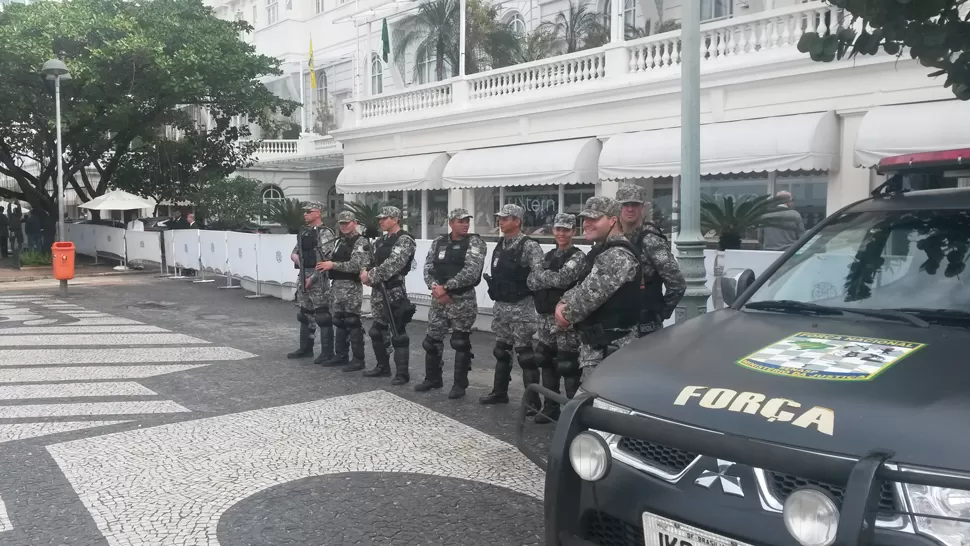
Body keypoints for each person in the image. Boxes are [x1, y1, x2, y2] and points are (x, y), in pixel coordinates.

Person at [555, 196, 643, 381]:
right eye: (585, 219)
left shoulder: (617, 255)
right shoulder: (602, 251)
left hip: (611, 349)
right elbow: (581, 286)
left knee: (598, 405)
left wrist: (565, 314)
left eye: (594, 219)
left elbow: (587, 298)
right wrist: (562, 302)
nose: (586, 223)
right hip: (598, 345)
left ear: (613, 220)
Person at [416, 208, 486, 399]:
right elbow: (428, 267)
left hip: (461, 300)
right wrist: (435, 288)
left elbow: (471, 271)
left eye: (466, 221)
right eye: (460, 221)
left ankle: (459, 385)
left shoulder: (475, 242)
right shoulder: (439, 242)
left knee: (460, 342)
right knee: (431, 341)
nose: (464, 225)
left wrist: (446, 288)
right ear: (451, 223)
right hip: (439, 299)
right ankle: (433, 378)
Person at [480, 204, 544, 409]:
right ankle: (499, 392)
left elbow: (539, 275)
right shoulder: (501, 244)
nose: (500, 221)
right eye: (500, 218)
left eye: (505, 218)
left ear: (517, 221)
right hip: (501, 307)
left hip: (521, 308)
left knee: (525, 355)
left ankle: (533, 402)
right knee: (501, 351)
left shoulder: (529, 245)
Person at [527, 212, 586, 424]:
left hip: (564, 320)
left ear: (574, 232)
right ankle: (550, 409)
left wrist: (542, 277)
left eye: (566, 229)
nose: (562, 233)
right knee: (545, 361)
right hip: (544, 318)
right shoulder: (548, 255)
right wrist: (545, 278)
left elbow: (563, 279)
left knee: (567, 365)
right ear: (553, 231)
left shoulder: (578, 256)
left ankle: (573, 414)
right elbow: (530, 281)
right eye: (558, 229)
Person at [616, 183, 686, 337]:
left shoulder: (650, 240)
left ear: (643, 208)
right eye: (625, 204)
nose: (629, 209)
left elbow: (677, 283)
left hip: (646, 327)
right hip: (620, 326)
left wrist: (660, 312)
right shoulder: (617, 239)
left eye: (635, 204)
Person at [360, 206, 417, 385]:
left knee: (398, 332)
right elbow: (371, 260)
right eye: (380, 219)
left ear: (395, 219)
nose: (381, 221)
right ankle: (382, 367)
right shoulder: (381, 240)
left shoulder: (405, 240)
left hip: (393, 290)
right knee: (377, 330)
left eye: (384, 218)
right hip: (378, 290)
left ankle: (402, 373)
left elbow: (394, 264)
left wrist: (370, 275)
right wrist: (365, 272)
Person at [315, 211, 371, 371]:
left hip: (351, 286)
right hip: (337, 285)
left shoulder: (361, 242)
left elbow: (356, 265)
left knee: (353, 322)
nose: (344, 226)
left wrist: (333, 265)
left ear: (355, 223)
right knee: (339, 321)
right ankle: (341, 355)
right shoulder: (339, 241)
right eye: (341, 223)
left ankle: (358, 359)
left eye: (347, 223)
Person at [286, 201, 337, 362]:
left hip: (319, 278)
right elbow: (295, 252)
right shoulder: (304, 231)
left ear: (318, 213)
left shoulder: (325, 233)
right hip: (303, 275)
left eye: (309, 211)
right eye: (305, 212)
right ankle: (305, 348)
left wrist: (312, 279)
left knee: (322, 315)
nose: (305, 214)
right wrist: (298, 262)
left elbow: (325, 259)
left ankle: (327, 352)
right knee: (304, 314)